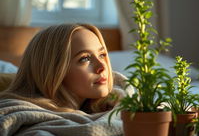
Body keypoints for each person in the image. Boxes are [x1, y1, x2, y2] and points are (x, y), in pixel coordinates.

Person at [0, 23, 128, 114]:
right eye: (85, 58)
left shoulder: (118, 104)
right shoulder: (17, 112)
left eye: (102, 55)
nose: (102, 67)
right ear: (53, 70)